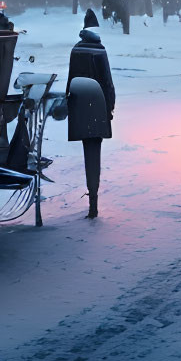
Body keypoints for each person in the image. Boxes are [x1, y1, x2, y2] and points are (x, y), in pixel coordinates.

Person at [66, 26, 115, 218]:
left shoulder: (76, 50)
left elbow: (71, 80)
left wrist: (70, 106)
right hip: (98, 106)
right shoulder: (99, 50)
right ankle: (93, 199)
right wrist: (110, 107)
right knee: (95, 153)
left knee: (88, 151)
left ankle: (92, 199)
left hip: (80, 108)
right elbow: (107, 82)